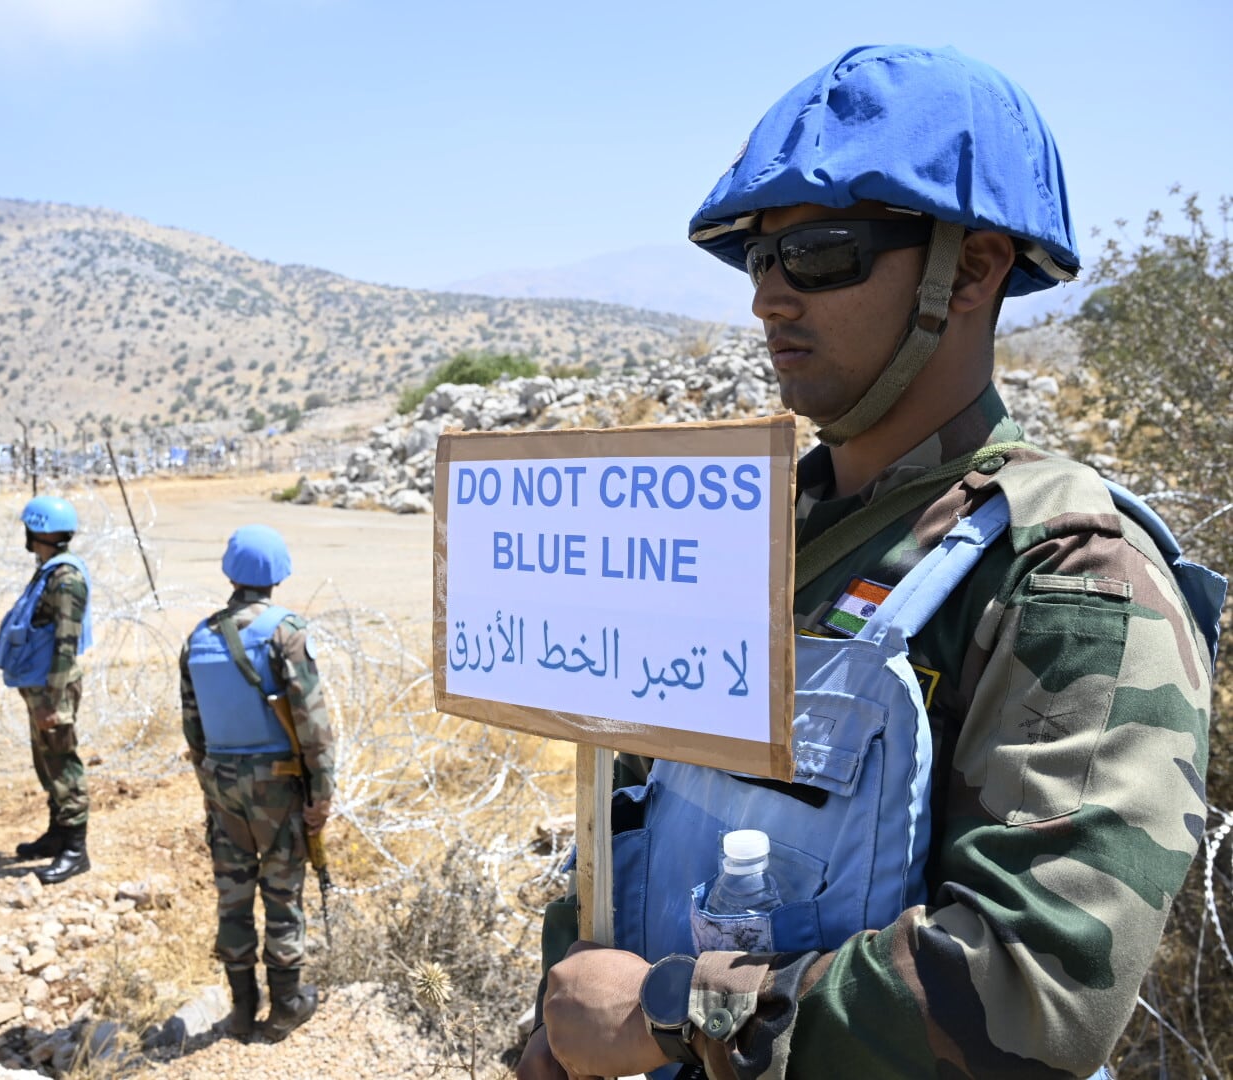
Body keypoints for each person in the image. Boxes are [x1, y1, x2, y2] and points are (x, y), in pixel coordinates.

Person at [521, 46, 1225, 1080]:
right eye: (759, 259)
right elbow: (631, 803)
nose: (768, 299)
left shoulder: (1069, 578)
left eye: (819, 256)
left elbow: (1037, 990)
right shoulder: (733, 537)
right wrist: (567, 1010)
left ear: (974, 268)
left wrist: (677, 1014)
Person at [180, 525, 335, 1043]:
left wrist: (216, 777)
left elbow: (193, 726)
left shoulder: (199, 637)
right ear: (280, 575)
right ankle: (287, 1003)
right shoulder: (284, 631)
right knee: (283, 890)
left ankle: (243, 1008)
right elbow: (311, 722)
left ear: (230, 573)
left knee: (234, 892)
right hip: (277, 783)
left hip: (221, 783)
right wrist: (322, 792)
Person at [0, 496, 94, 885]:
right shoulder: (49, 570)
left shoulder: (65, 578)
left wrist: (53, 702)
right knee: (46, 760)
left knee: (62, 760)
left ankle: (75, 848)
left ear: (36, 530)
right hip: (40, 685)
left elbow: (66, 645)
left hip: (53, 687)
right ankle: (57, 833)